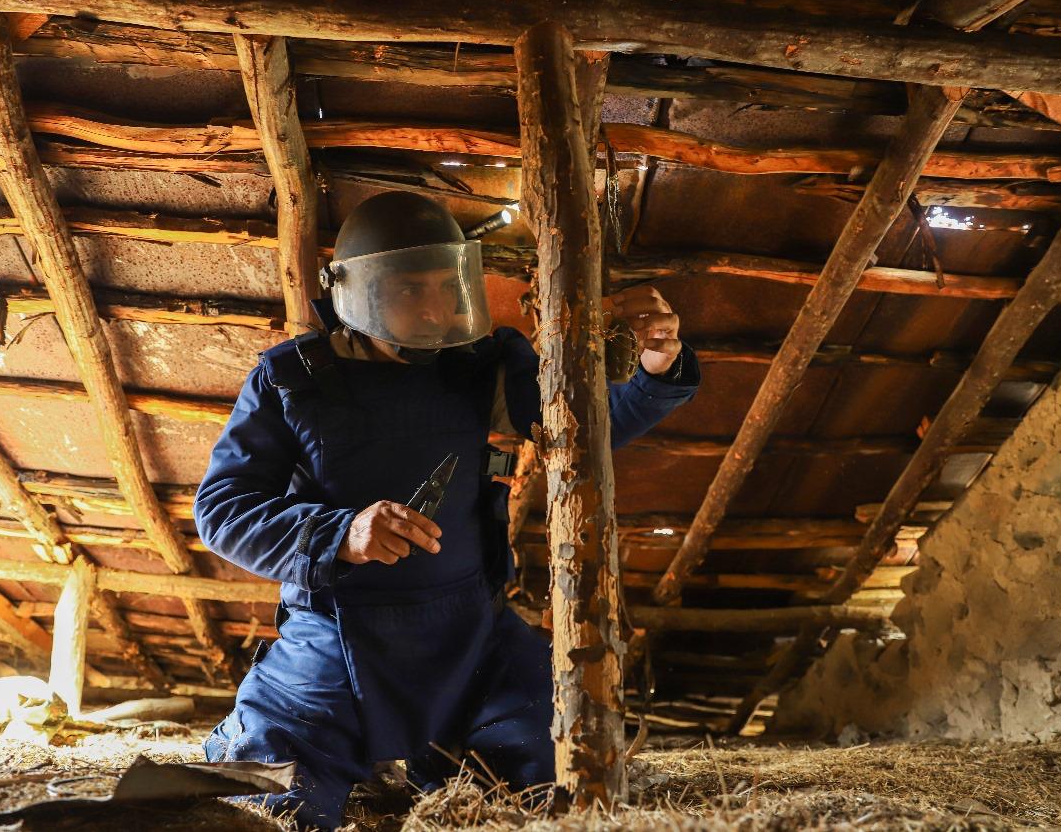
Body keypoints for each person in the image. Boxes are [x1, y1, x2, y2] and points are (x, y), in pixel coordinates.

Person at [195, 191, 699, 828]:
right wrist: (341, 533)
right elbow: (223, 510)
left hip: (472, 632)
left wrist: (656, 366)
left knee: (552, 771)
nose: (435, 309)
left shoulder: (484, 366)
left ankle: (439, 762)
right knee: (273, 795)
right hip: (336, 637)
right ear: (356, 291)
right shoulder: (292, 380)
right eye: (410, 290)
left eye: (446, 286)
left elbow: (583, 427)